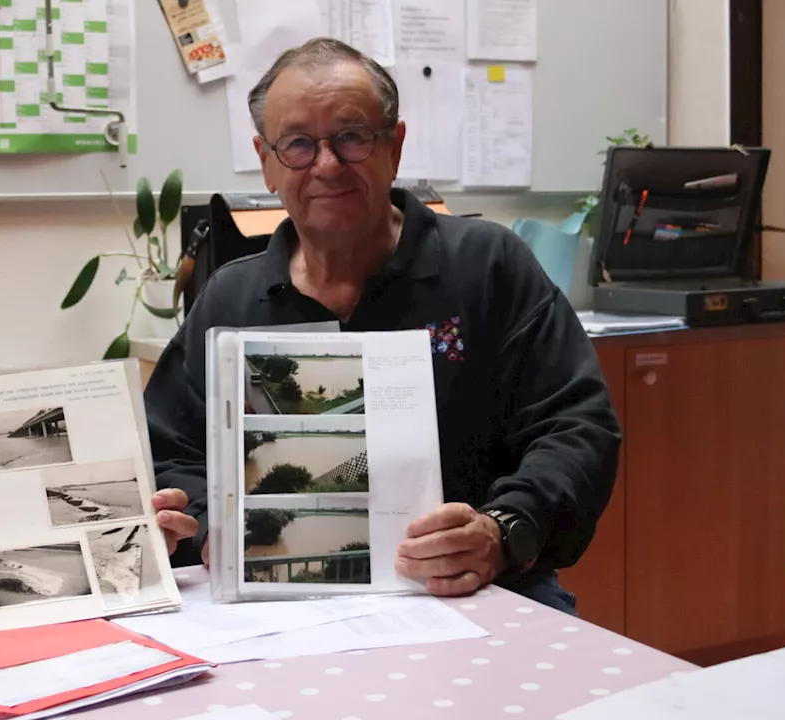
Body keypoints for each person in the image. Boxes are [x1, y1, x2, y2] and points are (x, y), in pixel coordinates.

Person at [143, 38, 620, 614]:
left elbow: (576, 426)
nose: (326, 165)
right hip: (272, 605)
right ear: (267, 163)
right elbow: (171, 449)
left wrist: (502, 529)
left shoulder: (488, 266)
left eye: (352, 136)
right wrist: (203, 519)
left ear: (394, 147)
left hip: (478, 588)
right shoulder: (231, 297)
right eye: (297, 143)